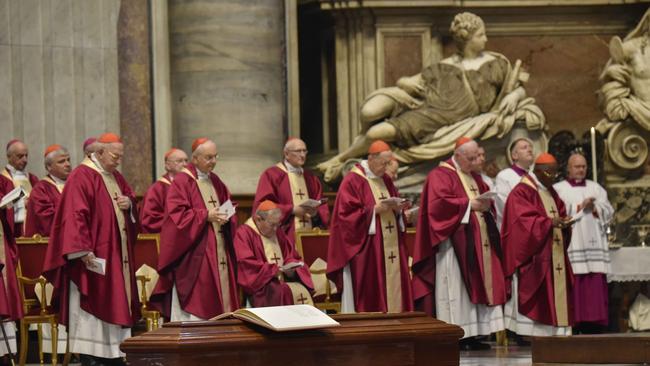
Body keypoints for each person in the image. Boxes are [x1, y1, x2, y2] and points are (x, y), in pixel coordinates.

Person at [317, 12, 544, 181]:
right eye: (481, 35)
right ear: (468, 39)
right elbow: (411, 81)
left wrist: (515, 96)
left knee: (377, 133)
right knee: (371, 116)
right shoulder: (444, 65)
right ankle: (343, 158)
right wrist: (404, 82)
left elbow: (518, 87)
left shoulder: (495, 63)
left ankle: (339, 159)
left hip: (451, 117)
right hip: (431, 110)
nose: (486, 39)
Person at [42, 133, 140, 365]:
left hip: (116, 257)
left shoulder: (115, 176)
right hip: (92, 260)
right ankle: (92, 357)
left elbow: (130, 202)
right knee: (92, 311)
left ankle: (115, 354)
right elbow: (74, 216)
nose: (119, 161)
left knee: (115, 300)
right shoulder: (82, 176)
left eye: (121, 156)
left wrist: (130, 205)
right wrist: (82, 251)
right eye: (115, 156)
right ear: (99, 153)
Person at [412, 137, 506, 350]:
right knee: (457, 290)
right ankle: (458, 334)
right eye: (471, 158)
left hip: (478, 243)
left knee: (478, 286)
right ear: (458, 156)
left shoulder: (473, 176)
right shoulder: (440, 175)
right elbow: (437, 206)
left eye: (476, 157)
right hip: (453, 247)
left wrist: (486, 203)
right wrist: (469, 205)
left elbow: (484, 200)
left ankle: (475, 333)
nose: (475, 162)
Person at [151, 138, 239, 321]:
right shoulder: (183, 181)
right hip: (196, 253)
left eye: (215, 157)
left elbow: (228, 205)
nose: (213, 161)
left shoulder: (216, 181)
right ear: (195, 158)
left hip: (219, 248)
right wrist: (205, 216)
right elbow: (176, 216)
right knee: (201, 299)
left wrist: (228, 215)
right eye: (208, 157)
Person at [326, 140, 413, 313]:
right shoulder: (353, 180)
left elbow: (394, 204)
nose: (386, 167)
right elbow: (345, 218)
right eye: (384, 163)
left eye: (389, 163)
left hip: (390, 246)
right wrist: (374, 210)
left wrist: (399, 211)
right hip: (368, 250)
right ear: (371, 158)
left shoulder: (386, 179)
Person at [501, 153, 574, 337]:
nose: (555, 178)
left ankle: (555, 331)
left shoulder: (549, 190)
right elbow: (520, 224)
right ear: (539, 171)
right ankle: (532, 333)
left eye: (557, 173)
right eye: (551, 174)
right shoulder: (522, 191)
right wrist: (549, 223)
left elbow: (559, 209)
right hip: (535, 257)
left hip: (553, 253)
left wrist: (564, 222)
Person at [554, 153, 614, 334]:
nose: (581, 170)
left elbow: (609, 211)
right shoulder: (559, 189)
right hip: (574, 243)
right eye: (577, 166)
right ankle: (576, 322)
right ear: (568, 168)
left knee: (594, 284)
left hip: (594, 244)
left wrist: (595, 207)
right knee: (575, 283)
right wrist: (580, 207)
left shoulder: (596, 188)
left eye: (583, 166)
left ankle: (594, 324)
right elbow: (557, 212)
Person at [234, 200, 314, 307]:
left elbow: (291, 255)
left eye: (278, 224)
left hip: (283, 280)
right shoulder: (244, 234)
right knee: (281, 291)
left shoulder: (277, 232)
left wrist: (291, 270)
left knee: (300, 290)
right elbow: (246, 266)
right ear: (258, 219)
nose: (276, 229)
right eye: (272, 225)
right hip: (262, 287)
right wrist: (273, 270)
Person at [253, 138, 329, 243]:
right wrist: (292, 210)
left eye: (304, 151)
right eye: (298, 151)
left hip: (310, 235)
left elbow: (322, 208)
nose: (302, 155)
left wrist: (315, 213)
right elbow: (262, 207)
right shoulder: (272, 175)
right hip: (284, 235)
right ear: (286, 154)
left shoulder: (311, 179)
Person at [25, 145, 71, 237]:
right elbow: (46, 221)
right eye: (62, 161)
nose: (68, 164)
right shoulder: (41, 189)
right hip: (51, 244)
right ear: (49, 167)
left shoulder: (75, 183)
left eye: (68, 160)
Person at [140, 148, 188, 233]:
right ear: (168, 165)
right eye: (180, 161)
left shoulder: (191, 186)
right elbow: (149, 219)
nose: (185, 164)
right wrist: (180, 224)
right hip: (168, 238)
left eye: (186, 161)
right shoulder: (157, 189)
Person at [0, 139, 39, 237]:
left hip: (33, 230)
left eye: (26, 156)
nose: (25, 160)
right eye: (20, 156)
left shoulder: (33, 179)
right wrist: (22, 203)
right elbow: (1, 206)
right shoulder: (2, 179)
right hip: (12, 232)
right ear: (9, 157)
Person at [494, 137, 535, 228]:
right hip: (514, 227)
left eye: (530, 147)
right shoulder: (504, 176)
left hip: (535, 226)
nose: (529, 150)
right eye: (524, 148)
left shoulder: (535, 177)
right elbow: (504, 206)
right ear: (514, 155)